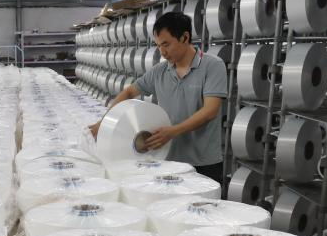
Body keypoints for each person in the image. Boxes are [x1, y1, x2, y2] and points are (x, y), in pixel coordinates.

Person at [89, 10, 227, 185]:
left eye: (166, 44)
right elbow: (129, 93)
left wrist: (173, 131)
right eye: (159, 46)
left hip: (204, 163)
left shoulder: (212, 66)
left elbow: (210, 111)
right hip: (167, 161)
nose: (162, 52)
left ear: (185, 37)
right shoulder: (159, 71)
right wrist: (104, 122)